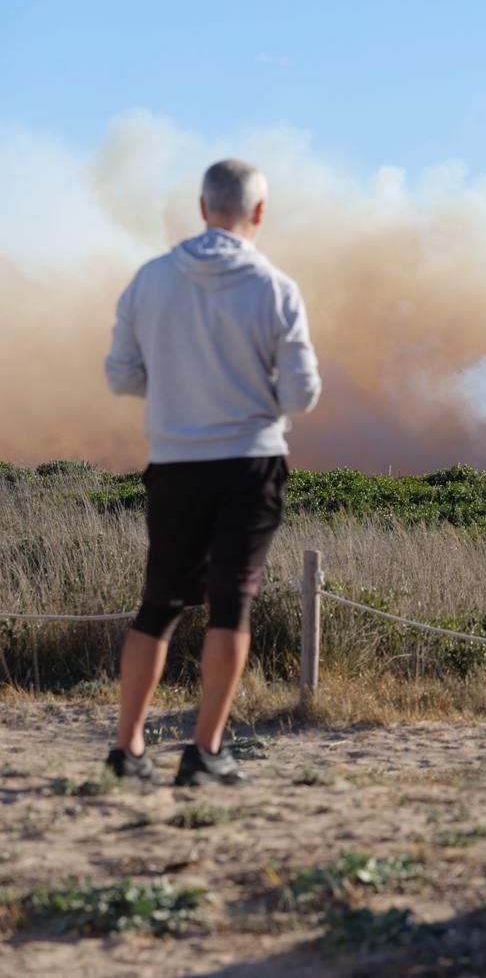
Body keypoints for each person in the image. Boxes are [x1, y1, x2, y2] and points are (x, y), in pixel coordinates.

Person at [103, 159, 321, 786]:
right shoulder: (276, 288)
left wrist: (177, 391)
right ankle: (205, 752)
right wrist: (250, 398)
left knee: (159, 605)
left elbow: (121, 375)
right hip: (250, 462)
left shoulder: (150, 279)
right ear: (258, 213)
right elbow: (303, 395)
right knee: (232, 605)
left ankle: (127, 751)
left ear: (202, 207)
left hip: (174, 462)